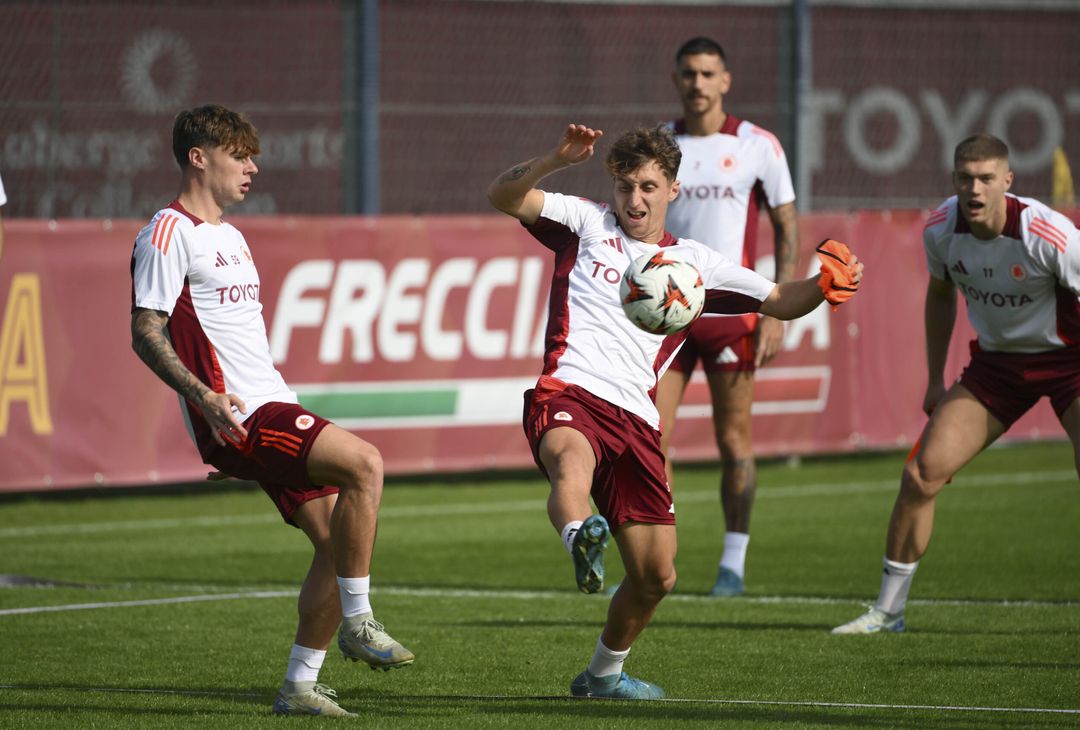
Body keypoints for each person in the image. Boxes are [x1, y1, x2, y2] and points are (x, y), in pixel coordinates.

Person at [486, 123, 862, 698]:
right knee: (570, 465)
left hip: (637, 417)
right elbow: (504, 196)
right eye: (624, 186)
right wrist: (555, 159)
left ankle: (603, 676)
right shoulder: (583, 222)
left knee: (657, 575)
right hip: (569, 391)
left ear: (672, 190)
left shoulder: (695, 266)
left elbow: (781, 300)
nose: (633, 200)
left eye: (647, 187)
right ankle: (580, 537)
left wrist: (826, 283)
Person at [129, 105, 414, 717]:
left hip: (270, 406)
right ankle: (359, 621)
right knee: (366, 462)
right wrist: (204, 399)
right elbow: (145, 330)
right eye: (240, 155)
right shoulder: (165, 233)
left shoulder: (230, 235)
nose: (253, 167)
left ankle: (300, 687)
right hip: (238, 416)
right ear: (199, 158)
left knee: (337, 543)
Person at [832, 134, 1080, 635]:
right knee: (921, 475)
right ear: (953, 180)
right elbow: (940, 296)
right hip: (997, 366)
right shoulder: (941, 229)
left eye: (987, 178)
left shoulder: (1046, 233)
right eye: (966, 178)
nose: (975, 188)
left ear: (1007, 182)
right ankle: (888, 612)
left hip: (1071, 359)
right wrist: (933, 378)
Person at [657, 37, 801, 598]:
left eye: (707, 73)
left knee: (733, 439)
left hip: (732, 311)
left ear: (726, 80)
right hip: (667, 313)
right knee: (651, 437)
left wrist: (776, 311)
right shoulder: (661, 143)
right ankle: (657, 556)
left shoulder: (757, 145)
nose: (697, 82)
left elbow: (787, 225)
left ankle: (732, 565)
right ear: (676, 78)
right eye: (688, 72)